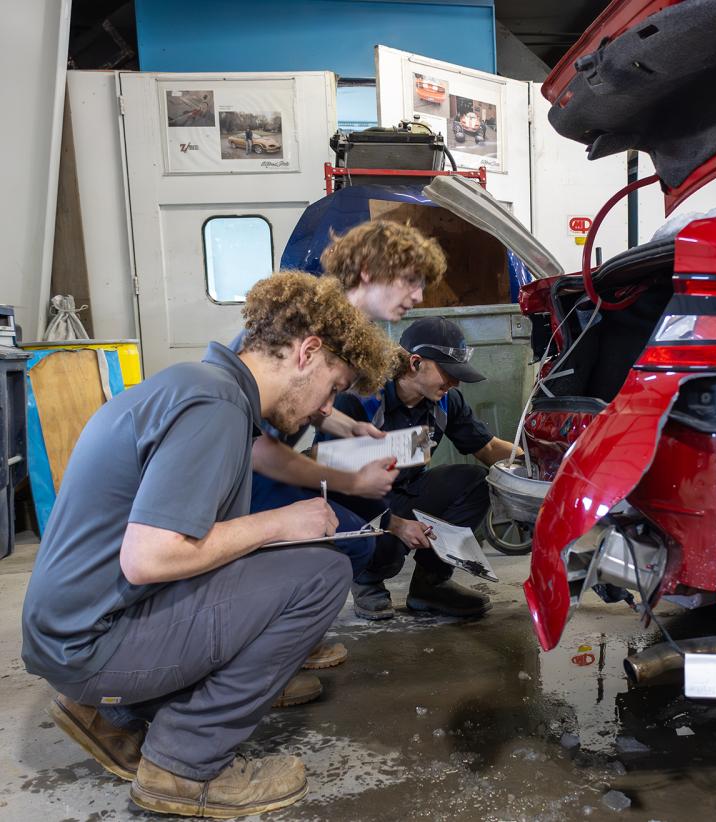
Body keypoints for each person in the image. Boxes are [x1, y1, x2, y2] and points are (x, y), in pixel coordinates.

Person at [21, 272, 395, 818]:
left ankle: (113, 714)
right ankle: (183, 765)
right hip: (90, 645)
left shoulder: (197, 385)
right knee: (322, 574)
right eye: (333, 386)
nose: (324, 408)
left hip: (73, 629)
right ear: (307, 352)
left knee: (268, 556)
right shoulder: (214, 406)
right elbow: (150, 557)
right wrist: (281, 523)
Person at [241, 220, 446, 670]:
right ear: (370, 270)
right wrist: (350, 477)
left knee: (355, 539)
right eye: (410, 281)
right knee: (344, 540)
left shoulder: (338, 327)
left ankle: (283, 638)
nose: (417, 297)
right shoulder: (301, 324)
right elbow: (260, 437)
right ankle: (262, 656)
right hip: (247, 474)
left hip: (268, 460)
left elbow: (303, 403)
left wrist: (347, 429)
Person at [335, 317, 521, 620]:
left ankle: (429, 585)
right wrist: (396, 525)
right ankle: (367, 579)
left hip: (407, 491)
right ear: (415, 362)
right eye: (448, 373)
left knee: (477, 481)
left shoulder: (445, 401)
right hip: (359, 502)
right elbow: (334, 483)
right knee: (375, 524)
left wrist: (535, 466)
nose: (455, 383)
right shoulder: (359, 401)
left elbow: (486, 449)